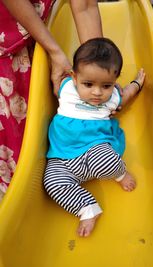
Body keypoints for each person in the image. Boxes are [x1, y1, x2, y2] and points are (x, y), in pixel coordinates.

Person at [0, 0, 103, 201]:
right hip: (7, 38)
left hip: (36, 30)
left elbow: (86, 6)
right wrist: (55, 51)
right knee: (14, 151)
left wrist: (97, 72)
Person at [43, 37, 146, 237]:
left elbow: (126, 94)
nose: (97, 92)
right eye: (88, 84)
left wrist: (137, 83)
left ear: (114, 82)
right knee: (52, 182)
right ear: (74, 77)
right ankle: (88, 208)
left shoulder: (113, 98)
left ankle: (120, 174)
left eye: (106, 86)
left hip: (94, 149)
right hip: (62, 157)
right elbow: (50, 72)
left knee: (105, 161)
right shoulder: (66, 88)